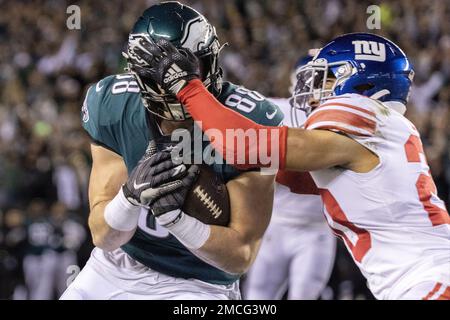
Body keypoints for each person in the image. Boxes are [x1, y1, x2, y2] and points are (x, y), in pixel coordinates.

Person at [141, 32, 450, 300]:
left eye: (325, 78)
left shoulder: (360, 109)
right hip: (426, 277)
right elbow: (293, 175)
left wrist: (186, 86)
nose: (311, 91)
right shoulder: (380, 131)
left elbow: (247, 146)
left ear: (361, 83)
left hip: (428, 281)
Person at [61, 2, 282, 300]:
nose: (181, 82)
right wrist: (128, 198)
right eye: (166, 73)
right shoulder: (115, 106)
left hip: (200, 282)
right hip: (118, 267)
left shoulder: (249, 121)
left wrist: (176, 220)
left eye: (190, 69)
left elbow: (239, 256)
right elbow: (103, 236)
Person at [244, 57, 336, 300]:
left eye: (321, 81)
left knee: (304, 296)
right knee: (257, 297)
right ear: (292, 84)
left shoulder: (342, 119)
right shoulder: (273, 111)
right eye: (307, 79)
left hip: (316, 230)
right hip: (276, 223)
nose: (313, 90)